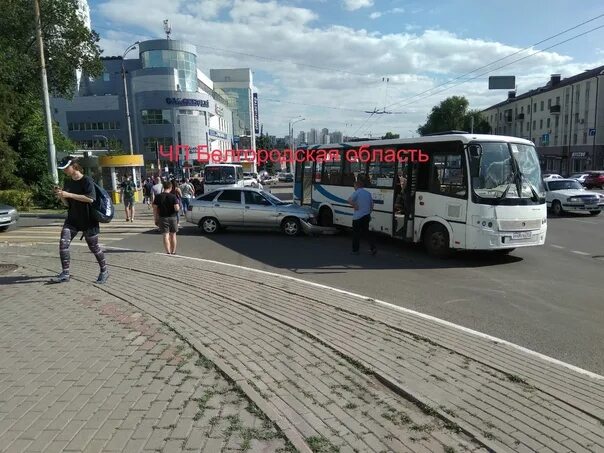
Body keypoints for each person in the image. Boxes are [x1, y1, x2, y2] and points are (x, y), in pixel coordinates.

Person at [50, 156, 109, 284]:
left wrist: (69, 194)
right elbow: (67, 204)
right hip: (72, 219)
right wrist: (61, 196)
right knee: (63, 245)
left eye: (66, 168)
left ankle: (104, 271)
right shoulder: (68, 182)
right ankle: (65, 273)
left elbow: (90, 198)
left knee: (94, 248)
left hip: (88, 220)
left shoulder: (87, 180)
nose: (64, 170)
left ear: (74, 166)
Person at [347, 175, 376, 256]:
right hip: (366, 216)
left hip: (357, 217)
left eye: (354, 186)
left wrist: (355, 206)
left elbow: (349, 200)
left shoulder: (357, 192)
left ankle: (355, 251)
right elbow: (372, 205)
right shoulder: (368, 193)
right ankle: (373, 247)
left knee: (356, 234)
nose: (354, 188)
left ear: (357, 186)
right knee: (366, 233)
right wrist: (369, 213)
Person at [153, 180, 180, 255]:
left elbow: (154, 208)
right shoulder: (173, 196)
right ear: (171, 187)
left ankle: (168, 252)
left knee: (165, 235)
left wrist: (156, 218)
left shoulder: (158, 196)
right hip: (172, 217)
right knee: (173, 235)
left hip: (162, 218)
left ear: (163, 187)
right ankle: (173, 251)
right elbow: (177, 208)